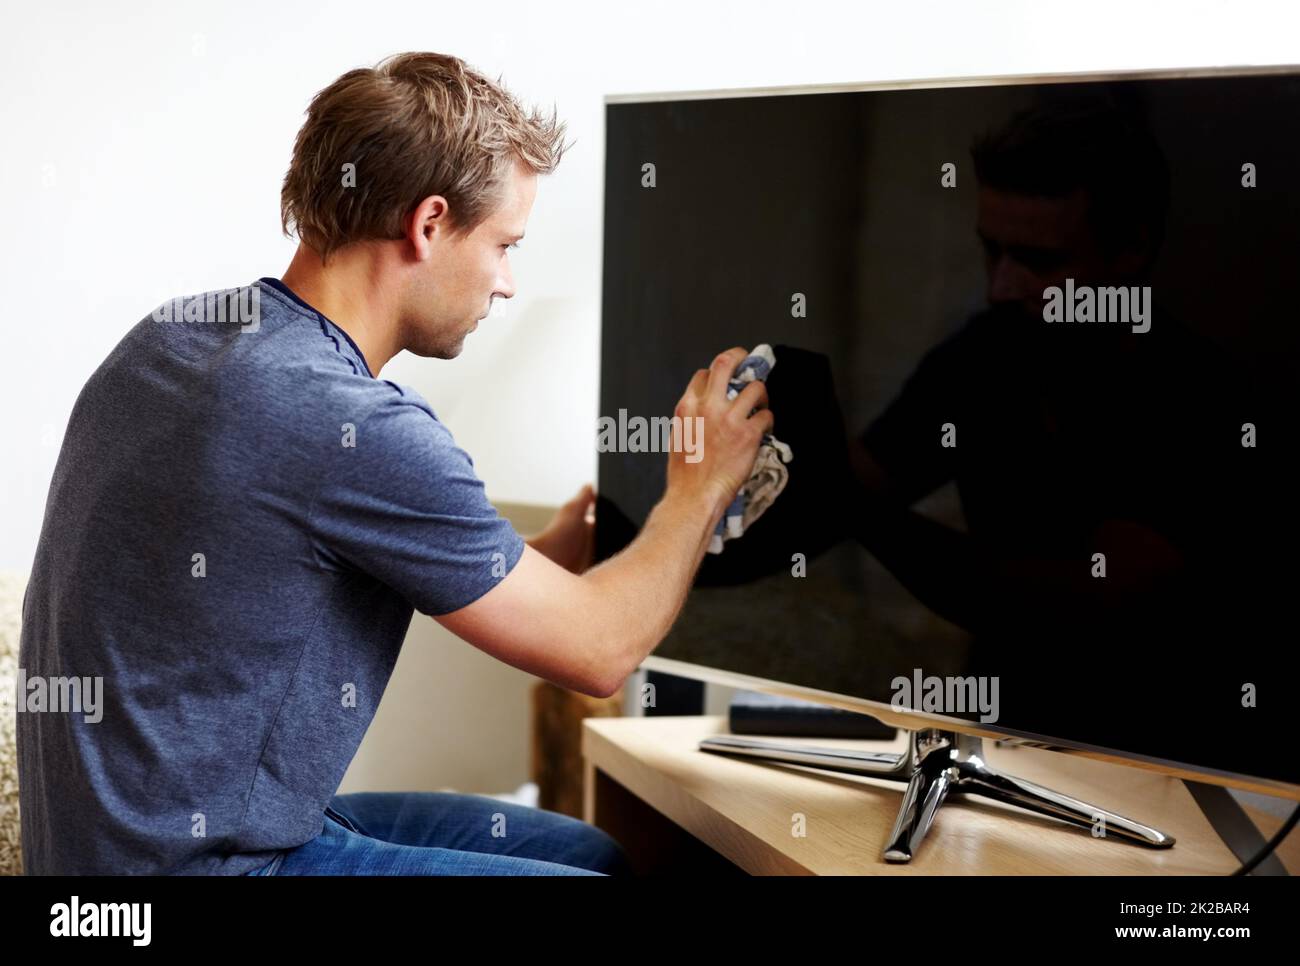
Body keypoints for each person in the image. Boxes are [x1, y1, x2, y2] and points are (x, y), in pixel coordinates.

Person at [17, 51, 772, 875]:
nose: (508, 283)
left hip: (112, 858)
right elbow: (600, 656)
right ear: (429, 223)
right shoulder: (352, 426)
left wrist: (555, 549)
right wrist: (699, 490)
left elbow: (366, 569)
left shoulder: (174, 339)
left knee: (591, 852)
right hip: (205, 865)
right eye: (504, 245)